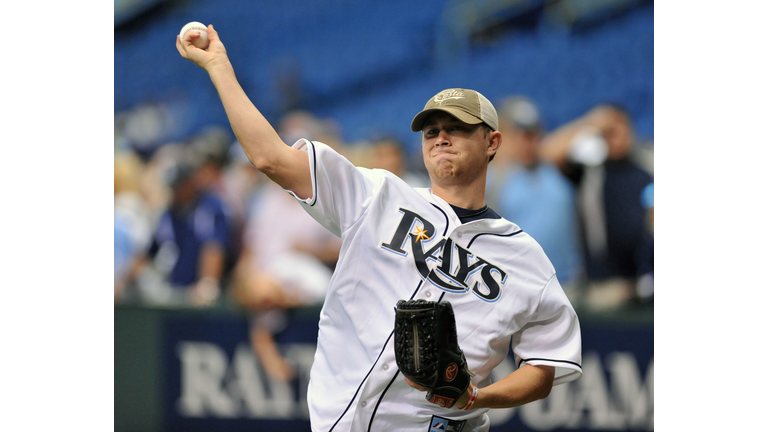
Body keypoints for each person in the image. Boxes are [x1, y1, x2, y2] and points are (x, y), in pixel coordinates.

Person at [177, 26, 582, 432]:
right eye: (430, 131)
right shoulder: (378, 194)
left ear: (492, 142)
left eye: (456, 127)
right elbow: (269, 158)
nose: (440, 137)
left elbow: (545, 366)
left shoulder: (524, 257)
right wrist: (218, 67)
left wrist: (478, 397)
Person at [540, 103, 653, 309]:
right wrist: (590, 123)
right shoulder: (588, 171)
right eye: (609, 131)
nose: (617, 136)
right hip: (604, 287)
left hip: (643, 283)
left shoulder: (644, 171)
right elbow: (545, 153)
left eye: (621, 128)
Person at [486, 96, 582, 289]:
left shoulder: (550, 166)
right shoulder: (491, 178)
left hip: (566, 284)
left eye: (532, 133)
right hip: (518, 287)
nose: (527, 141)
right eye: (519, 134)